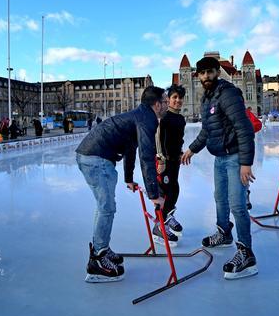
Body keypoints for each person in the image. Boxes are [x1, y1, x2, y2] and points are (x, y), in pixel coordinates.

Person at [76, 86, 168, 283]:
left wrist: (128, 178)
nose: (167, 105)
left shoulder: (139, 115)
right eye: (166, 101)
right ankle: (98, 260)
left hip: (93, 156)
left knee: (105, 207)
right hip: (96, 158)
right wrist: (153, 194)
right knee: (106, 208)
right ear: (157, 104)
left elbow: (130, 147)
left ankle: (102, 249)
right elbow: (146, 156)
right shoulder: (148, 118)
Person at [181, 57, 257, 280]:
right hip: (220, 158)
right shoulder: (207, 98)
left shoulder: (228, 93)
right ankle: (224, 233)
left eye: (209, 72)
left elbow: (244, 128)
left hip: (234, 157)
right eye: (202, 73)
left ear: (217, 72)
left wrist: (246, 163)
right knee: (220, 198)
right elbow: (207, 131)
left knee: (237, 204)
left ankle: (246, 252)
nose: (205, 77)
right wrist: (192, 149)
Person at [153, 84, 187, 247]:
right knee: (164, 193)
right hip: (164, 161)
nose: (178, 100)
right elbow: (158, 140)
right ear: (168, 99)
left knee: (174, 189)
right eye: (174, 97)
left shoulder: (180, 118)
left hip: (175, 160)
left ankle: (167, 217)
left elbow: (178, 140)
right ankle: (158, 227)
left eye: (180, 98)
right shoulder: (164, 118)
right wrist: (161, 160)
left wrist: (180, 153)